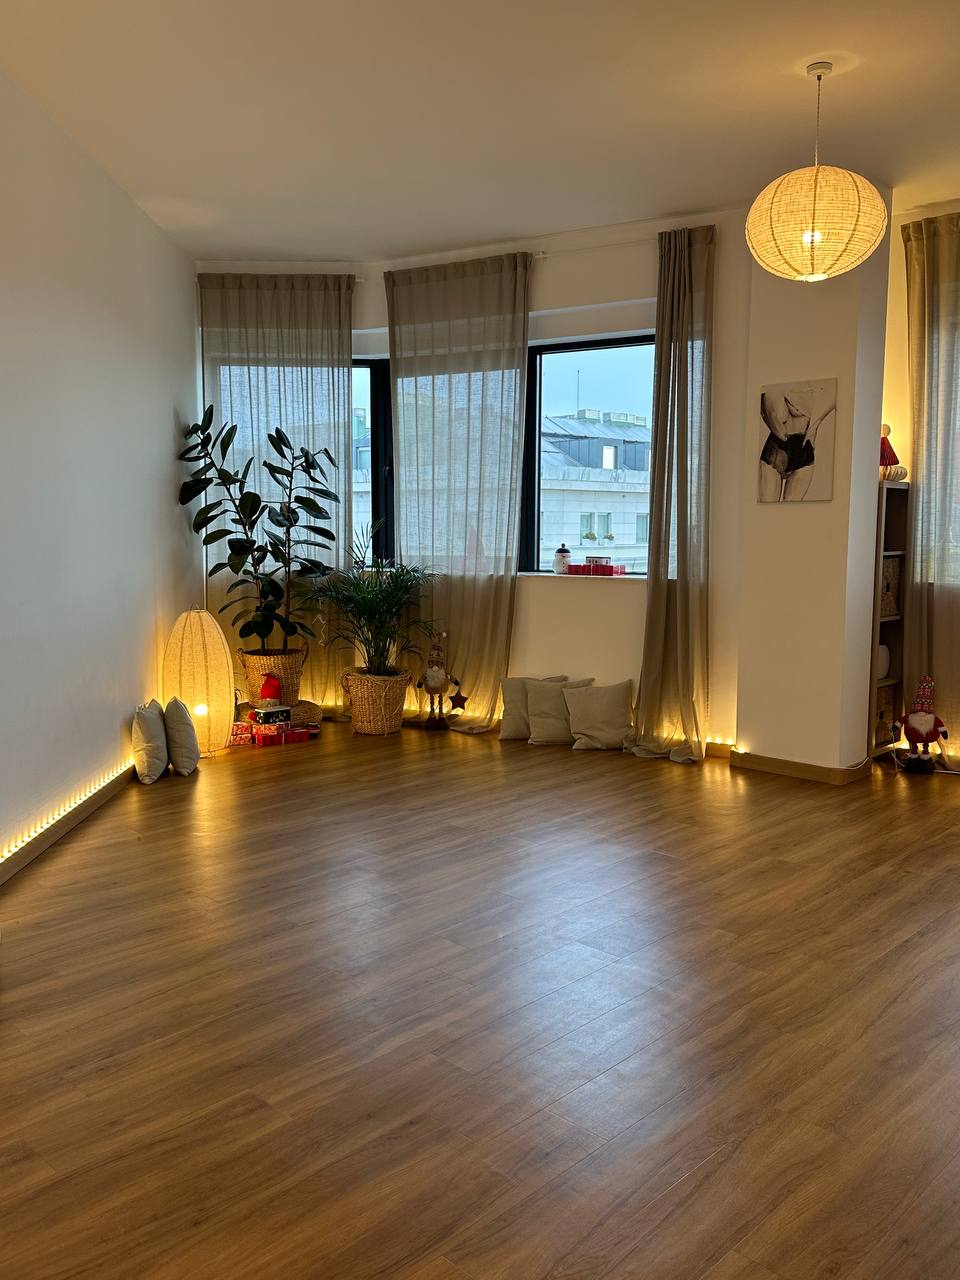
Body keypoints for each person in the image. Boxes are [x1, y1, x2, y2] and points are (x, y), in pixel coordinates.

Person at [759, 387, 835, 502]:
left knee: (791, 513)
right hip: (777, 450)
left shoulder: (821, 390)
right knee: (765, 511)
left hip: (803, 451)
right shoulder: (774, 392)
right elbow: (771, 418)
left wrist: (814, 426)